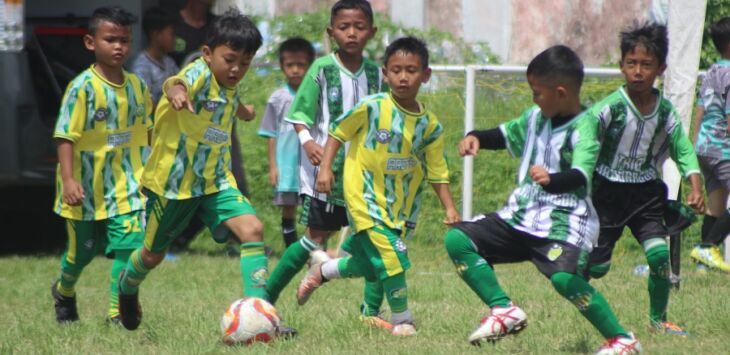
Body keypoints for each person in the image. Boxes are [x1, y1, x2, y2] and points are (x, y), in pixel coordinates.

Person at [443, 45, 642, 353]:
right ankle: (504, 310)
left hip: (564, 220)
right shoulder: (536, 116)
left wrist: (552, 181)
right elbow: (505, 134)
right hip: (520, 216)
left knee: (564, 279)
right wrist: (477, 136)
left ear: (560, 92)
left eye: (537, 92)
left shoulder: (585, 126)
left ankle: (622, 340)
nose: (533, 98)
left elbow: (581, 175)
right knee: (457, 240)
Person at [115, 10, 292, 337]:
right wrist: (178, 93)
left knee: (252, 229)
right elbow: (176, 82)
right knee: (152, 255)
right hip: (174, 187)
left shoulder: (230, 83)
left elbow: (230, 100)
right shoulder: (197, 72)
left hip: (216, 182)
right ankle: (127, 287)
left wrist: (245, 111)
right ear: (208, 55)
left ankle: (263, 316)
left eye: (245, 61)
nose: (237, 68)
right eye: (230, 59)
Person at [296, 36, 460, 337]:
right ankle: (403, 319)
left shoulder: (431, 125)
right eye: (396, 70)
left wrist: (449, 206)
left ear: (426, 75)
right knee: (392, 258)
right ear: (385, 73)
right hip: (364, 198)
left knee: (370, 266)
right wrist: (326, 168)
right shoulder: (372, 107)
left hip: (400, 207)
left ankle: (323, 271)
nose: (403, 77)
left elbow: (437, 170)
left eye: (411, 70)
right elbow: (338, 131)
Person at [265, 0, 386, 320]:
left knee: (376, 241)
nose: (352, 33)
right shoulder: (321, 69)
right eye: (344, 27)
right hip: (326, 173)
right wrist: (307, 143)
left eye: (359, 27)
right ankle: (265, 299)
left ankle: (370, 312)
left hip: (366, 175)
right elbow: (299, 115)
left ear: (372, 32)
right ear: (331, 33)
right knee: (314, 238)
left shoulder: (377, 75)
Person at [585, 23, 704, 337]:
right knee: (596, 268)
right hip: (607, 195)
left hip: (646, 196)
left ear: (661, 68)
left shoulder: (665, 113)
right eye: (631, 63)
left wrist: (694, 184)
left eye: (646, 65)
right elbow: (584, 143)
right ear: (621, 66)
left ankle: (659, 320)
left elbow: (681, 148)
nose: (638, 71)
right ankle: (570, 273)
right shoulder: (608, 109)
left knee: (658, 255)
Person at [50, 6, 152, 325]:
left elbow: (147, 132)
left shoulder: (137, 87)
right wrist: (68, 180)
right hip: (85, 188)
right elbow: (65, 136)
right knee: (80, 254)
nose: (118, 46)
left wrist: (153, 172)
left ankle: (116, 313)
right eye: (110, 39)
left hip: (127, 186)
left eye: (125, 40)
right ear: (90, 42)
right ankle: (64, 290)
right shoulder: (82, 88)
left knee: (128, 247)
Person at [257, 37, 315, 248]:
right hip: (287, 164)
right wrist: (273, 167)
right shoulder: (278, 98)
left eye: (301, 65)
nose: (295, 70)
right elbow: (270, 133)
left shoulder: (316, 95)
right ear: (282, 66)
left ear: (310, 65)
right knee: (288, 208)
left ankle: (312, 248)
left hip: (311, 163)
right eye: (290, 65)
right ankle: (291, 249)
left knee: (314, 207)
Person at [690, 16, 730, 272]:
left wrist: (694, 144)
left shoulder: (713, 70)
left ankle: (702, 265)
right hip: (724, 148)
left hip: (704, 146)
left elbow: (700, 109)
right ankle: (708, 247)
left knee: (716, 202)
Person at [130, 6, 179, 106]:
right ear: (156, 35)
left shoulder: (169, 62)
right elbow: (145, 103)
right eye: (172, 34)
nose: (175, 39)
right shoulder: (141, 66)